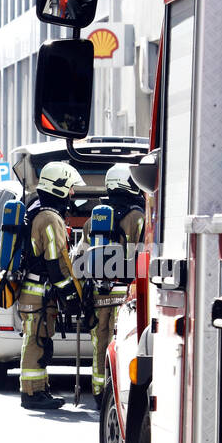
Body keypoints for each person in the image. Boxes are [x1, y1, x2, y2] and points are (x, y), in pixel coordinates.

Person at [18, 160, 84, 410]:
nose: (73, 194)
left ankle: (39, 390)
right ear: (58, 187)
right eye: (70, 188)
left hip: (34, 291)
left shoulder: (37, 209)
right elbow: (55, 261)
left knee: (40, 340)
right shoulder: (49, 217)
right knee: (36, 341)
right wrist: (69, 293)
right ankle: (32, 394)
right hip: (38, 293)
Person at [90, 163, 145, 397]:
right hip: (122, 291)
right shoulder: (137, 216)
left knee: (99, 341)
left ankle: (98, 390)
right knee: (119, 342)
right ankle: (115, 390)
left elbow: (84, 256)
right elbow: (141, 254)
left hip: (98, 292)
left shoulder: (95, 217)